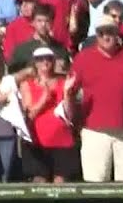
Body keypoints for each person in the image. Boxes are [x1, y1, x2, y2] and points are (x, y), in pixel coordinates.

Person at [69, 14, 123, 182]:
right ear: (96, 35)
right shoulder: (83, 58)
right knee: (95, 182)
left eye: (110, 32)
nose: (106, 36)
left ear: (117, 33)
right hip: (94, 130)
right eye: (101, 33)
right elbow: (71, 91)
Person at [19, 46, 78, 183]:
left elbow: (70, 115)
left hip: (62, 140)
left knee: (60, 181)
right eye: (40, 59)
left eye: (48, 59)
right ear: (35, 62)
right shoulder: (27, 84)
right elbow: (29, 116)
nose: (45, 62)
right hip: (36, 141)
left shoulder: (64, 82)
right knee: (39, 180)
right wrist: (44, 99)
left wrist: (67, 93)